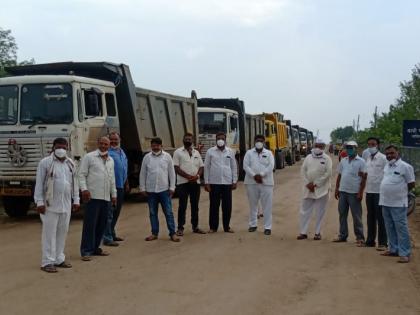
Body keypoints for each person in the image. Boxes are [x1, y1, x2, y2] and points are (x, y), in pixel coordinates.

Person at [34, 138, 80, 273]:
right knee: (49, 234)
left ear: (67, 148)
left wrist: (76, 200)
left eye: (64, 147)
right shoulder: (45, 163)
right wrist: (39, 202)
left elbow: (74, 183)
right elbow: (39, 184)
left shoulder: (70, 163)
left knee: (62, 232)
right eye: (59, 146)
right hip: (50, 205)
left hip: (66, 204)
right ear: (53, 147)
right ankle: (47, 261)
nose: (61, 149)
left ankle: (59, 259)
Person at [79, 137, 117, 261]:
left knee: (102, 224)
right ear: (97, 144)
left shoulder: (110, 160)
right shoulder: (89, 157)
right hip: (93, 196)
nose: (103, 146)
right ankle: (86, 251)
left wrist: (114, 195)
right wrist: (84, 189)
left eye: (106, 144)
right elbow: (81, 174)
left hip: (106, 197)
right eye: (101, 143)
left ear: (109, 145)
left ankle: (96, 248)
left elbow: (112, 179)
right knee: (90, 224)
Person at [379, 145, 415, 263]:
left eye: (392, 153)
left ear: (397, 153)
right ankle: (393, 249)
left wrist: (400, 193)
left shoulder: (405, 167)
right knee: (389, 227)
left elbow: (411, 184)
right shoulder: (387, 166)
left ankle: (405, 253)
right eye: (388, 154)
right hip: (385, 201)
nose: (389, 155)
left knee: (401, 228)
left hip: (398, 203)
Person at [139, 137, 180, 242]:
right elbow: (143, 173)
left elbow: (172, 173)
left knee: (168, 212)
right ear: (151, 146)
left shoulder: (167, 157)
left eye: (157, 145)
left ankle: (172, 233)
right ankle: (154, 233)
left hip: (164, 190)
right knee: (152, 213)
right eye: (153, 145)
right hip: (151, 191)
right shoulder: (147, 157)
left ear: (161, 146)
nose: (155, 147)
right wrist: (142, 188)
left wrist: (172, 187)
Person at [297, 138, 332, 240]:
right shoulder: (308, 157)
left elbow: (328, 173)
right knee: (304, 211)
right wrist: (308, 184)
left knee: (320, 212)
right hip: (308, 188)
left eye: (320, 146)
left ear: (324, 147)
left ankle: (317, 233)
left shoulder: (327, 159)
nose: (318, 148)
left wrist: (316, 184)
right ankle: (303, 232)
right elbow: (303, 171)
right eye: (316, 145)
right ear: (314, 146)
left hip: (322, 190)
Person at [334, 140, 367, 245]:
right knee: (342, 214)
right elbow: (339, 175)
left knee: (356, 216)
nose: (349, 150)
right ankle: (343, 235)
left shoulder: (361, 161)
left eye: (351, 148)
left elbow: (364, 178)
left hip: (354, 192)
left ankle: (360, 237)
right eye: (347, 148)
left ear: (355, 149)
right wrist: (337, 189)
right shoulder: (343, 160)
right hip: (343, 191)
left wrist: (361, 192)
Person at [204, 132, 238, 233]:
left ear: (225, 140)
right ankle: (213, 227)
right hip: (214, 183)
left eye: (222, 138)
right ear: (216, 140)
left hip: (227, 182)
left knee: (227, 206)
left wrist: (234, 180)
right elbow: (207, 167)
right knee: (214, 206)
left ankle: (226, 227)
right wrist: (206, 182)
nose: (220, 140)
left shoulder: (230, 151)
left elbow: (234, 166)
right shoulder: (210, 152)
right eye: (218, 138)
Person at [173, 133, 206, 236]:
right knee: (182, 205)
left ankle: (195, 227)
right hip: (183, 183)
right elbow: (176, 168)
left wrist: (197, 176)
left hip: (195, 183)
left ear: (192, 140)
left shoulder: (196, 152)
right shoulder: (178, 152)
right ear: (183, 140)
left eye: (189, 139)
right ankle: (180, 228)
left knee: (195, 206)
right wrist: (188, 176)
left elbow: (201, 167)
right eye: (186, 139)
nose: (187, 140)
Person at [243, 134, 275, 235]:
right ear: (254, 141)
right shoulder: (249, 153)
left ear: (264, 142)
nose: (259, 142)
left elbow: (271, 166)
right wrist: (254, 176)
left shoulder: (269, 153)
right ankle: (253, 225)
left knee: (267, 206)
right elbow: (245, 166)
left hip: (266, 183)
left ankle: (267, 227)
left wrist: (261, 175)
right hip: (251, 182)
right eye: (257, 140)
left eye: (261, 140)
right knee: (253, 205)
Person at [103, 132, 129, 247]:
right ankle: (107, 238)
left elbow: (124, 168)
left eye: (115, 140)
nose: (113, 142)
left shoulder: (121, 152)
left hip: (121, 186)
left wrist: (126, 182)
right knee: (109, 213)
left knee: (116, 212)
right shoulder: (107, 154)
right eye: (111, 140)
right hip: (111, 188)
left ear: (120, 139)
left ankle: (112, 233)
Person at [364, 137, 387, 249]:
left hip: (379, 192)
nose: (371, 147)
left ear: (378, 145)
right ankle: (370, 240)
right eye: (369, 144)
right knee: (370, 217)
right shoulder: (368, 158)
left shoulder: (383, 158)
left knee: (381, 218)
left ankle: (383, 242)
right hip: (369, 191)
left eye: (373, 144)